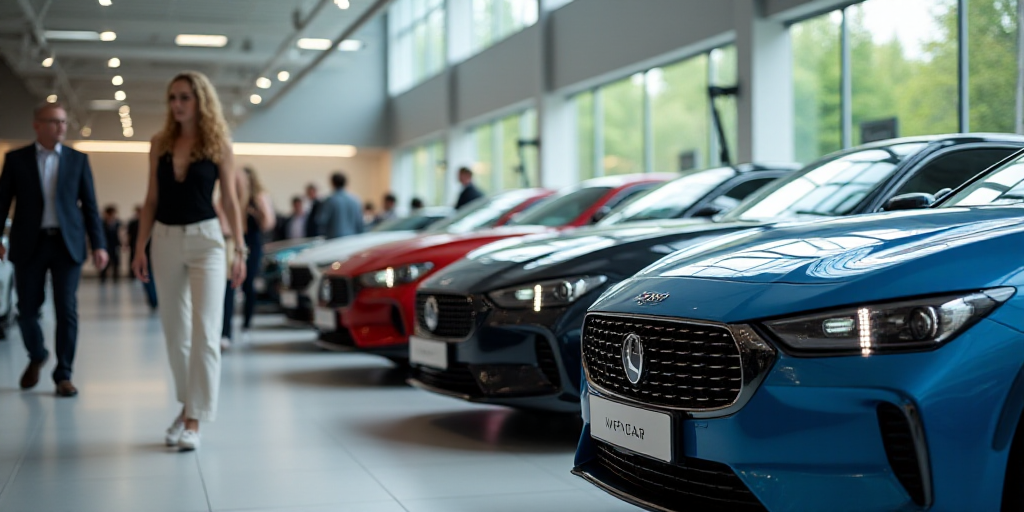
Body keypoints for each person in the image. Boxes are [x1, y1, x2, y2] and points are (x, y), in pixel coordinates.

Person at [131, 71, 246, 452]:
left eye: (184, 97)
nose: (177, 104)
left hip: (207, 242)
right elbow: (150, 200)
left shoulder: (218, 145)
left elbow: (229, 200)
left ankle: (194, 420)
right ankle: (186, 407)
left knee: (206, 332)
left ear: (200, 101)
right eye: (172, 98)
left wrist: (240, 249)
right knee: (175, 333)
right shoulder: (159, 143)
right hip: (164, 240)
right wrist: (139, 247)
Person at [0, 102, 109, 397]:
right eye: (53, 121)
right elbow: (2, 203)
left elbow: (90, 206)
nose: (61, 127)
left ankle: (64, 375)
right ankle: (37, 354)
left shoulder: (77, 160)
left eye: (63, 122)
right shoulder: (16, 159)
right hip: (29, 243)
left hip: (66, 244)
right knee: (26, 311)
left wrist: (99, 244)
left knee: (67, 310)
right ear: (37, 125)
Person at [238, 167, 275, 339]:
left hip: (253, 242)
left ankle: (247, 321)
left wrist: (255, 211)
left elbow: (268, 223)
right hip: (238, 242)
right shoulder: (236, 195)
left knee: (249, 282)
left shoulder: (259, 197)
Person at [316, 172, 364, 239]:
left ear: (332, 183)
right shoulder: (355, 200)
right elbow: (360, 224)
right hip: (352, 241)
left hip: (334, 241)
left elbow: (321, 221)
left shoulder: (329, 200)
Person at [99, 205, 122, 284]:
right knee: (104, 264)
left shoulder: (117, 223)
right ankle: (103, 278)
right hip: (105, 246)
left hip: (115, 246)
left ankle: (116, 279)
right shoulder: (102, 223)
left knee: (116, 263)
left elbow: (120, 235)